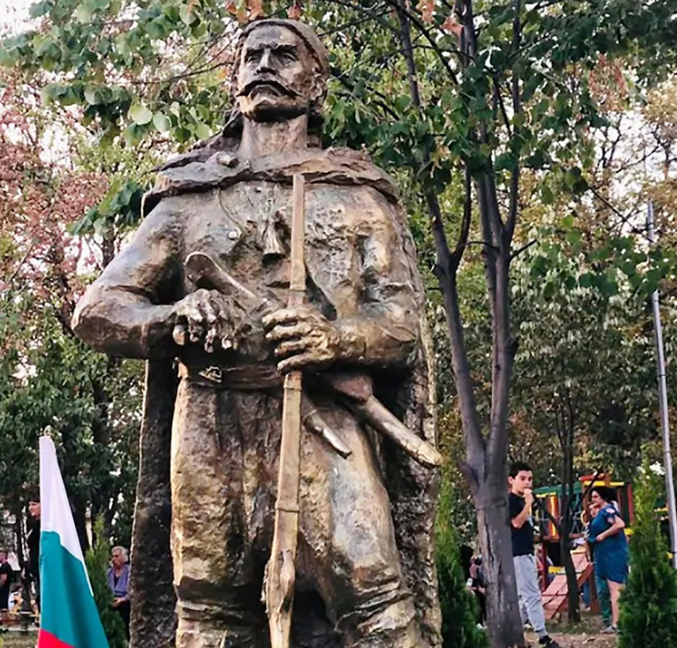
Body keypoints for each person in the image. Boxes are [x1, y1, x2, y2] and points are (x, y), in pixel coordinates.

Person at [71, 19, 439, 646]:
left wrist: (334, 339)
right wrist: (172, 319)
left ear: (316, 83)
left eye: (284, 55)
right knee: (210, 609)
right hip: (212, 424)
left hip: (326, 420)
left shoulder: (359, 198)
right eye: (253, 55)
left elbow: (401, 327)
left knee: (375, 598)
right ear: (235, 80)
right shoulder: (188, 198)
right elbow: (98, 310)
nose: (265, 64)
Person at [507, 462, 561, 647]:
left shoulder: (521, 501)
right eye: (522, 479)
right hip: (518, 552)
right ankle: (542, 635)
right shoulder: (512, 501)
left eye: (530, 479)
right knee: (531, 594)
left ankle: (514, 633)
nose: (527, 483)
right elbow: (516, 523)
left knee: (524, 597)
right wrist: (529, 504)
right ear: (511, 480)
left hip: (526, 551)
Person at [587, 486, 628, 633]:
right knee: (611, 588)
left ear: (603, 497)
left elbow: (620, 524)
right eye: (592, 497)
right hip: (604, 552)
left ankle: (618, 623)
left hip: (613, 552)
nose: (593, 500)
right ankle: (616, 621)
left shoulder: (608, 510)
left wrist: (604, 535)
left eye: (596, 497)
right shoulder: (600, 512)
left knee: (615, 588)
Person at [107, 546, 131, 627]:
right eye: (112, 556)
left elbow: (134, 591)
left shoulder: (130, 571)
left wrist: (122, 599)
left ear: (123, 558)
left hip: (125, 604)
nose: (114, 559)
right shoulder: (108, 572)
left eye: (116, 556)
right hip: (111, 602)